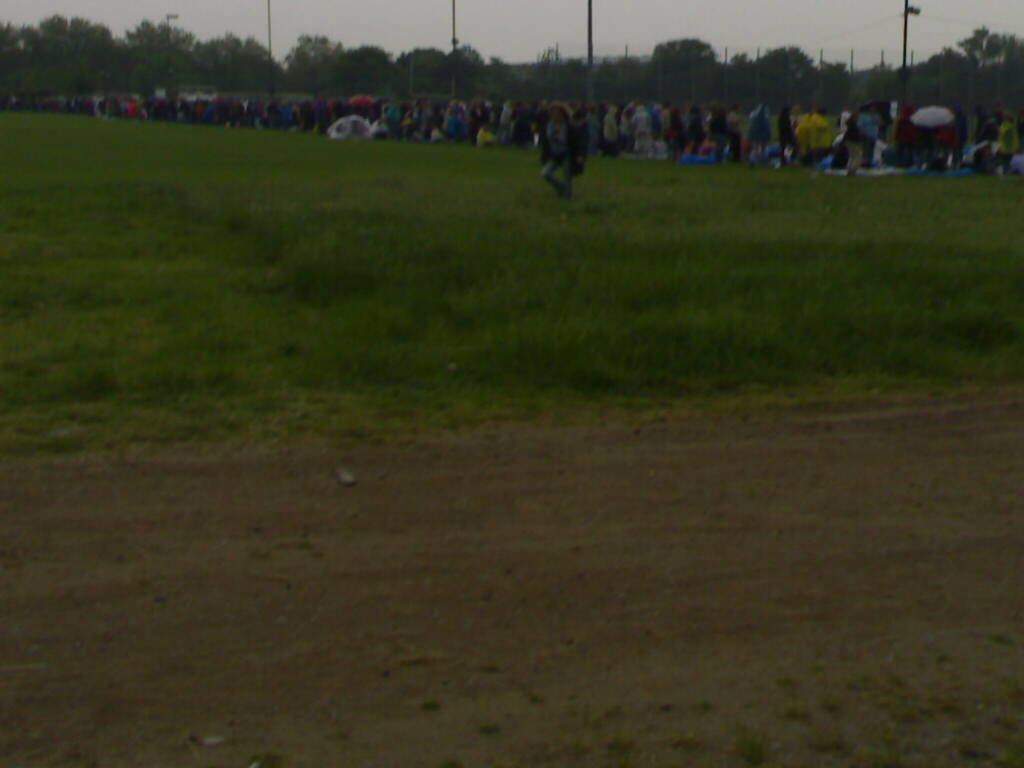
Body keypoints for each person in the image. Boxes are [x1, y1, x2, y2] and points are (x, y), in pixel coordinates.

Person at [540, 103, 584, 200]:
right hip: (554, 154)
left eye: (556, 113)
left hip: (567, 153)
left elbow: (577, 141)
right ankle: (562, 188)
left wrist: (579, 155)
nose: (554, 115)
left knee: (567, 175)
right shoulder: (549, 126)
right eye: (552, 113)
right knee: (546, 173)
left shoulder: (569, 126)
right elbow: (546, 142)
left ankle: (568, 196)